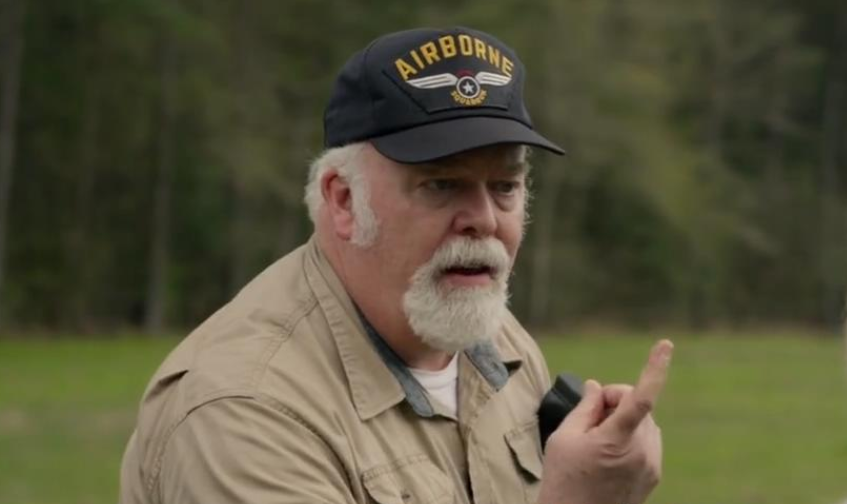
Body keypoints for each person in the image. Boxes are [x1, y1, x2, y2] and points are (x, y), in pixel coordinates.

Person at [119, 26, 673, 504]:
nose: (483, 219)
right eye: (441, 185)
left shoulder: (495, 343)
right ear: (343, 200)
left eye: (505, 186)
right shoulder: (245, 411)